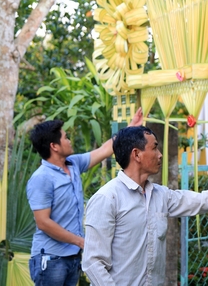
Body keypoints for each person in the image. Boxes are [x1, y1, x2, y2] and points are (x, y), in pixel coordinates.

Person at [82, 125, 208, 286]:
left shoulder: (161, 196)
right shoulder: (107, 198)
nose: (160, 154)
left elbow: (206, 200)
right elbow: (93, 263)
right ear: (136, 154)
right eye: (154, 148)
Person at [26, 108, 143, 286]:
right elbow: (43, 222)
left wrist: (130, 129)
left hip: (72, 257)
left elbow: (105, 150)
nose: (69, 140)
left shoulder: (73, 164)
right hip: (50, 259)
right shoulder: (41, 178)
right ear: (54, 146)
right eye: (65, 137)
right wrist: (80, 241)